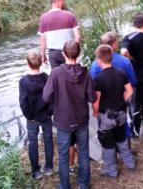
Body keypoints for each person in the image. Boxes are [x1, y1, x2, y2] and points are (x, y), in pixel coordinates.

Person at [43, 40, 96, 189]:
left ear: (62, 54)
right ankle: (84, 184)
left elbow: (46, 97)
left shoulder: (56, 73)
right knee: (84, 152)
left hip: (63, 121)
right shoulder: (85, 73)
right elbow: (92, 97)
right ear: (79, 54)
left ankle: (64, 185)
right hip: (81, 119)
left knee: (63, 155)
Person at [92, 45, 136, 178]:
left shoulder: (98, 79)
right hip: (121, 113)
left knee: (107, 144)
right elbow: (130, 91)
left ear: (99, 61)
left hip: (106, 116)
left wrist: (95, 113)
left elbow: (96, 101)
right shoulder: (120, 72)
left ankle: (112, 171)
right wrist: (122, 100)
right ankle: (130, 164)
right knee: (121, 138)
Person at [90, 32, 137, 140]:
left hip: (104, 105)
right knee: (123, 124)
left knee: (105, 129)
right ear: (114, 44)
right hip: (120, 102)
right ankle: (125, 146)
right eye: (117, 40)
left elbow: (93, 86)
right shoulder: (125, 61)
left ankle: (109, 150)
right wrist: (125, 96)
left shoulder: (95, 64)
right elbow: (133, 82)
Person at [19, 51, 54, 180]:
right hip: (46, 116)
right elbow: (52, 97)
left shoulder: (23, 81)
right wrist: (50, 112)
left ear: (28, 64)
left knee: (32, 143)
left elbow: (23, 102)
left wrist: (29, 116)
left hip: (32, 118)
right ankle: (49, 167)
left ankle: (36, 170)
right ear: (41, 63)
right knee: (48, 140)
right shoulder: (47, 77)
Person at [39, 0, 81, 69]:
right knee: (71, 75)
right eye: (63, 0)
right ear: (59, 1)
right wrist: (76, 51)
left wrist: (43, 54)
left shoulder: (43, 18)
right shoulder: (70, 15)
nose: (64, 3)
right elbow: (78, 36)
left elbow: (42, 40)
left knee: (56, 77)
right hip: (69, 51)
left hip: (53, 53)